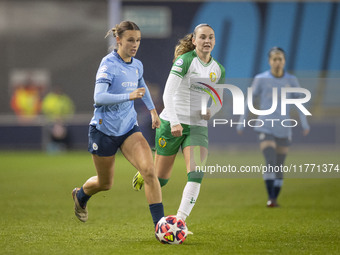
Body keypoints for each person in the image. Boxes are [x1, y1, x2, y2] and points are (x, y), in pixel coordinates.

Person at [72, 21, 164, 228]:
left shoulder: (137, 65)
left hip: (129, 128)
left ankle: (160, 225)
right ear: (119, 40)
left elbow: (142, 87)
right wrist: (128, 96)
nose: (135, 44)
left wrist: (152, 111)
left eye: (138, 40)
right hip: (103, 131)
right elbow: (99, 98)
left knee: (149, 171)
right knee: (105, 183)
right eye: (131, 40)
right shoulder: (108, 64)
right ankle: (81, 195)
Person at [133, 24, 225, 222]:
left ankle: (180, 221)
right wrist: (175, 122)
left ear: (214, 41)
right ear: (194, 41)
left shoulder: (218, 69)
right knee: (161, 180)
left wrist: (211, 111)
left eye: (210, 37)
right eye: (202, 37)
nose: (207, 40)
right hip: (171, 123)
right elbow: (168, 93)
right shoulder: (185, 61)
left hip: (198, 127)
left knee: (196, 174)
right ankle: (145, 172)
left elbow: (219, 100)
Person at [237, 47, 310, 207]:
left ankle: (274, 197)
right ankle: (271, 198)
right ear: (269, 61)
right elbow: (249, 101)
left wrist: (304, 123)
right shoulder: (261, 79)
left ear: (284, 61)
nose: (277, 62)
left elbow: (299, 104)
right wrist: (242, 121)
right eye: (274, 59)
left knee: (279, 164)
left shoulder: (291, 80)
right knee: (270, 161)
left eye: (280, 59)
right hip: (265, 126)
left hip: (284, 128)